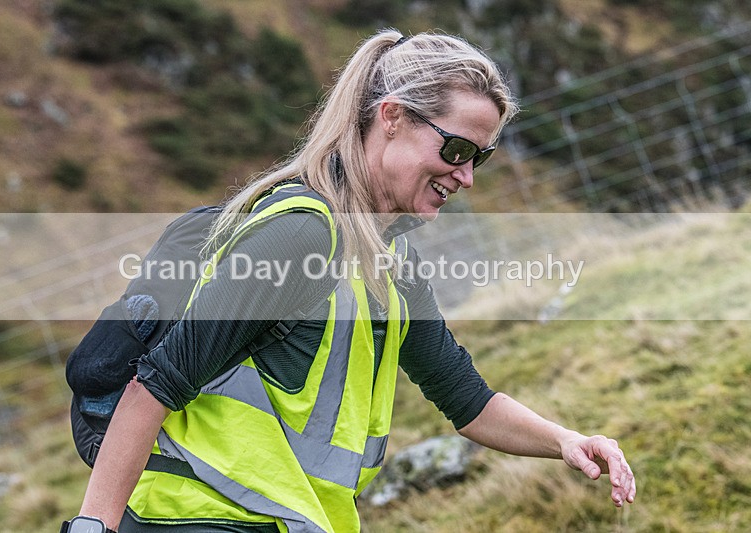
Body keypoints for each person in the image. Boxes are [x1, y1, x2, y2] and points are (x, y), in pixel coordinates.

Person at [63, 29, 636, 533]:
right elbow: (155, 387)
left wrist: (565, 441)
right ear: (392, 118)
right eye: (457, 148)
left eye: (478, 159)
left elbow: (467, 402)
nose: (464, 176)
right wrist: (93, 527)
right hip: (195, 517)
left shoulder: (391, 260)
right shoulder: (302, 236)